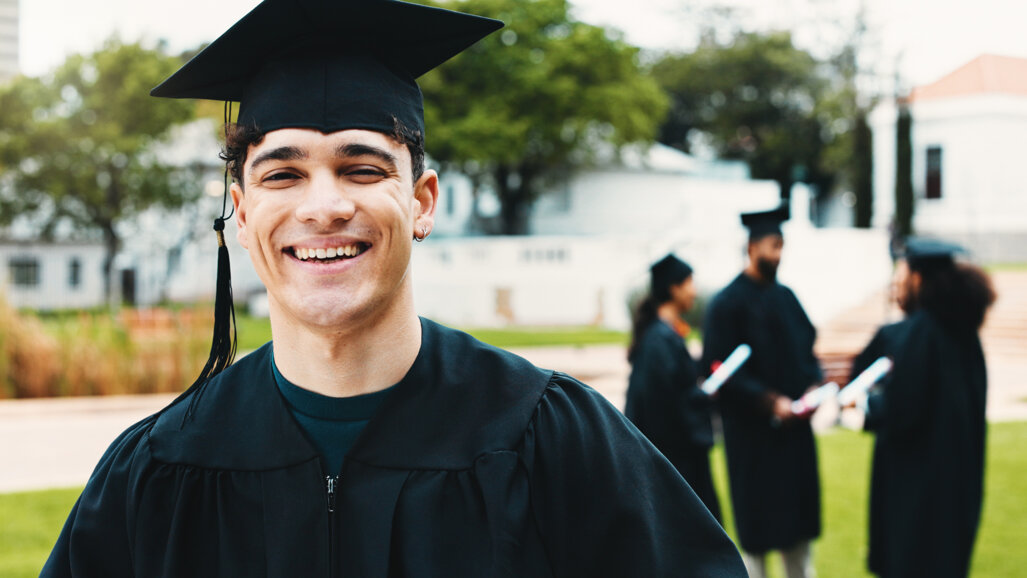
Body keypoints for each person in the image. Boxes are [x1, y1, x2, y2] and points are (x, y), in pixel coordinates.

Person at [41, 1, 748, 576]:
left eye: (361, 167)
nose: (323, 206)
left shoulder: (552, 440)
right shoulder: (161, 471)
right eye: (282, 174)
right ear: (244, 211)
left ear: (421, 202)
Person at [850, 238, 995, 578]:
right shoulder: (964, 332)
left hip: (918, 494)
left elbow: (903, 412)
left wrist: (868, 402)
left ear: (918, 279)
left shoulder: (922, 332)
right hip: (958, 484)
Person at [701, 205, 823, 578]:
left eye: (782, 245)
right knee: (757, 537)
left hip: (794, 438)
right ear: (752, 247)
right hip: (752, 439)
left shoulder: (786, 297)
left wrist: (813, 389)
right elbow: (720, 368)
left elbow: (807, 351)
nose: (778, 254)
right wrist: (770, 402)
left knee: (798, 536)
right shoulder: (726, 304)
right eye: (773, 245)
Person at [625, 253, 722, 521]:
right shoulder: (660, 340)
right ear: (673, 287)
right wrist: (704, 396)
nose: (694, 291)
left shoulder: (661, 335)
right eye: (689, 282)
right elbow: (666, 407)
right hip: (676, 465)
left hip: (677, 461)